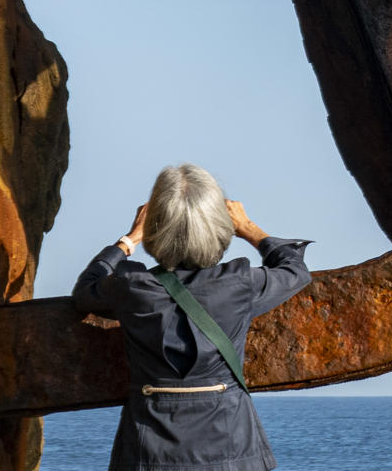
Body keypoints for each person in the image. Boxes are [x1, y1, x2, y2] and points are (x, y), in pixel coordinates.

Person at [73, 164, 312, 471]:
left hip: (149, 454)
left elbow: (85, 290)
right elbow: (295, 270)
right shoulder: (240, 283)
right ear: (220, 227)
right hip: (233, 451)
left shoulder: (133, 287)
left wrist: (129, 240)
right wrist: (248, 227)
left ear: (157, 230)